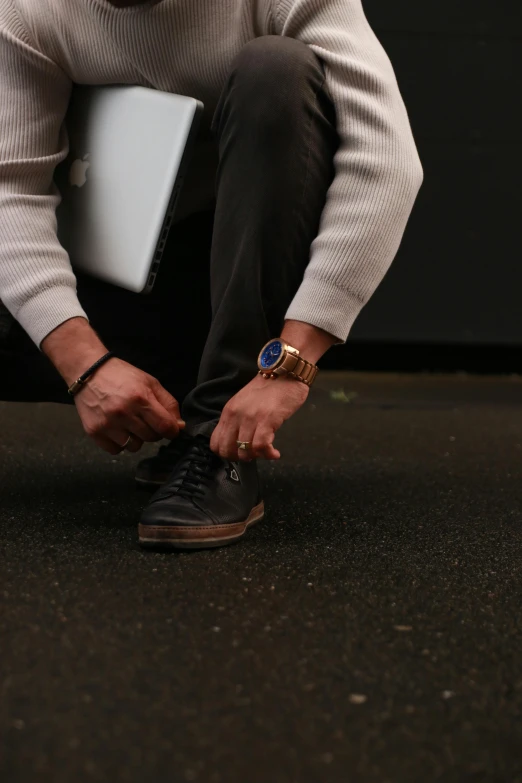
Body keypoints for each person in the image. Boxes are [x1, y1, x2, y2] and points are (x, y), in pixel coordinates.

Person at [0, 0, 423, 549]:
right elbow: (12, 190)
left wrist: (290, 366)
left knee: (277, 70)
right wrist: (86, 365)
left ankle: (217, 438)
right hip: (117, 291)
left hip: (246, 293)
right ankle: (184, 417)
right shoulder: (28, 9)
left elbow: (388, 165)